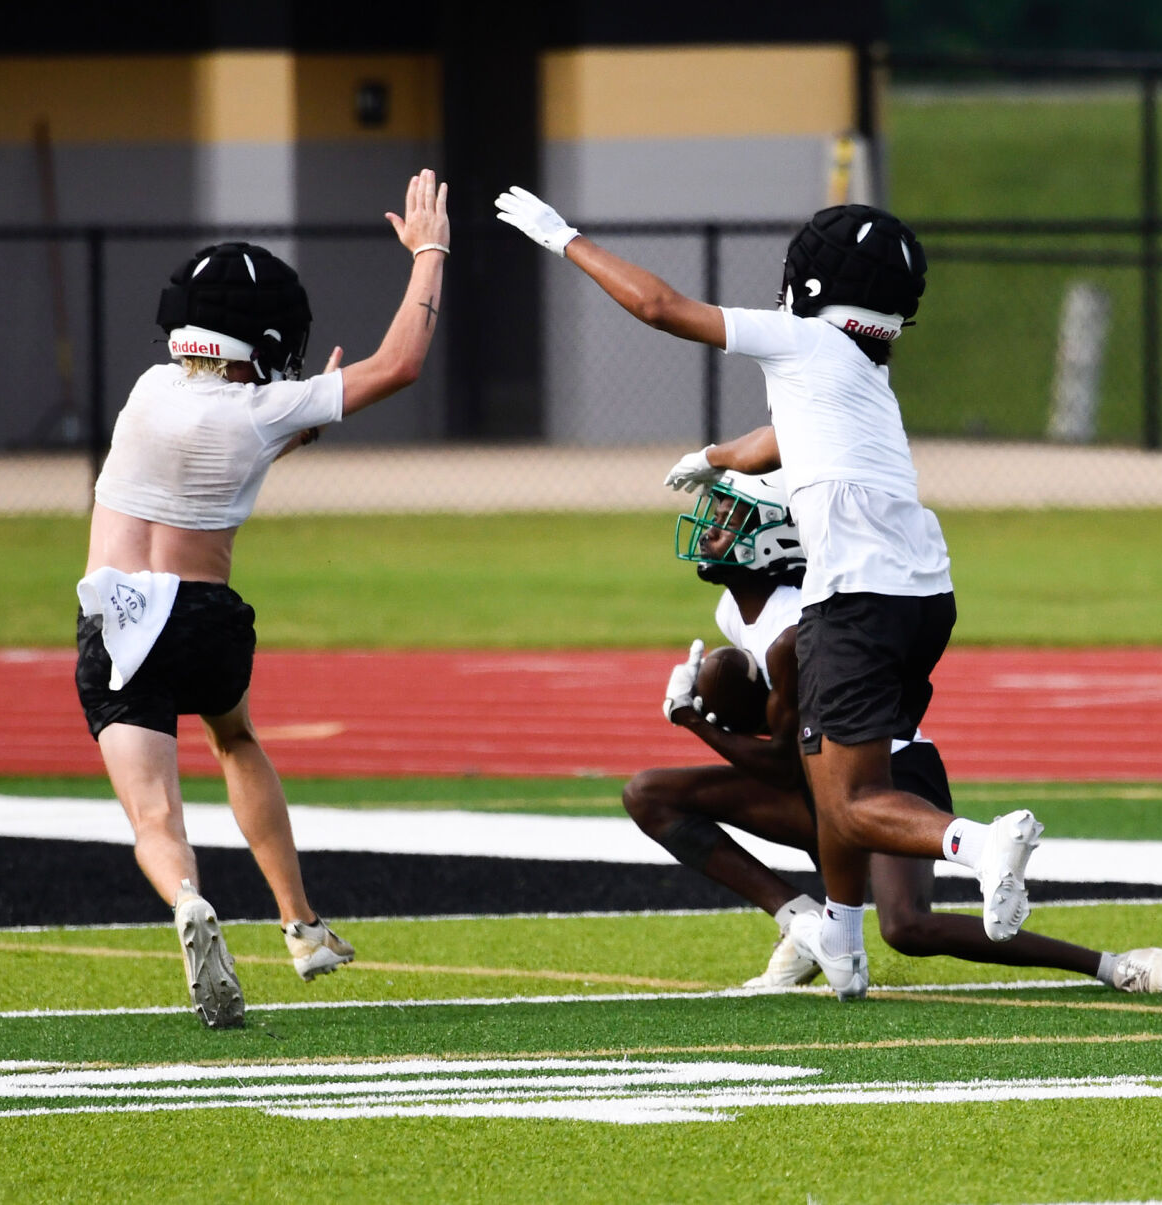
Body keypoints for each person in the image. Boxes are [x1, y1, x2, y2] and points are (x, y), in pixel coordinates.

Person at [495, 186, 1074, 1000]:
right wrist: (715, 457)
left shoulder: (804, 339)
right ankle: (839, 935)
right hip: (923, 594)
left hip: (856, 594)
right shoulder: (861, 369)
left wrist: (565, 239)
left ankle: (979, 845)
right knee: (830, 773)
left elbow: (660, 307)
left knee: (850, 802)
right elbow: (780, 439)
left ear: (813, 281)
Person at [76, 171, 451, 1027]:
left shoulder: (147, 389)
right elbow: (399, 363)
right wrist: (429, 251)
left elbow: (202, 438)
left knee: (154, 815)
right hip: (203, 620)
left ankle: (187, 899)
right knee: (235, 738)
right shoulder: (265, 410)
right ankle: (301, 924)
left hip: (117, 619)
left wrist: (290, 420)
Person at [626, 470, 1162, 994]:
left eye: (730, 520)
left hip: (886, 773)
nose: (711, 529)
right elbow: (788, 749)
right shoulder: (733, 611)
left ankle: (1114, 966)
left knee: (907, 926)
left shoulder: (792, 632)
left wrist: (692, 718)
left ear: (773, 539)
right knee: (649, 795)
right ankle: (802, 923)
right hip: (819, 779)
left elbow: (778, 762)